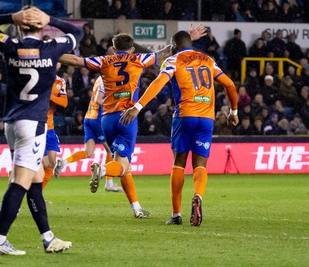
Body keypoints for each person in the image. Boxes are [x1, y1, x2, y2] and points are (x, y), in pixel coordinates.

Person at [59, 25, 207, 218]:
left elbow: (75, 60)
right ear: (132, 49)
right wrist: (189, 38)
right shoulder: (138, 59)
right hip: (127, 116)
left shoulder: (104, 60)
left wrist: (50, 54)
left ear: (113, 48)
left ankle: (136, 208)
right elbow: (166, 52)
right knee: (122, 165)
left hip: (107, 118)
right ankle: (103, 169)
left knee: (123, 165)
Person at [0, 6, 83, 255]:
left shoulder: (10, 45)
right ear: (41, 26)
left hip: (12, 123)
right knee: (20, 183)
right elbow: (76, 33)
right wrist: (52, 20)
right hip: (33, 124)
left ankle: (48, 238)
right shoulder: (52, 48)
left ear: (21, 25)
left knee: (35, 180)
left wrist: (11, 18)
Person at [120, 30, 238, 226]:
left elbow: (159, 82)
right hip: (207, 118)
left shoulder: (173, 60)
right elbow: (230, 85)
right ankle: (198, 195)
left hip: (185, 115)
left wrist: (138, 106)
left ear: (174, 46)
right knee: (200, 164)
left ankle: (176, 215)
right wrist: (234, 111)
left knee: (179, 163)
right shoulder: (208, 60)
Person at [53, 76, 123, 192]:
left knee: (88, 152)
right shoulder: (108, 80)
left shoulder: (99, 78)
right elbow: (100, 100)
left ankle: (64, 161)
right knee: (111, 150)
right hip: (98, 119)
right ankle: (109, 183)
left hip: (89, 117)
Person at [41, 71, 68, 190]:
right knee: (40, 164)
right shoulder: (37, 76)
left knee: (51, 163)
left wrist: (47, 95)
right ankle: (16, 178)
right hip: (37, 126)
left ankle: (37, 196)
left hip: (50, 128)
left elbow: (64, 102)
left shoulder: (60, 81)